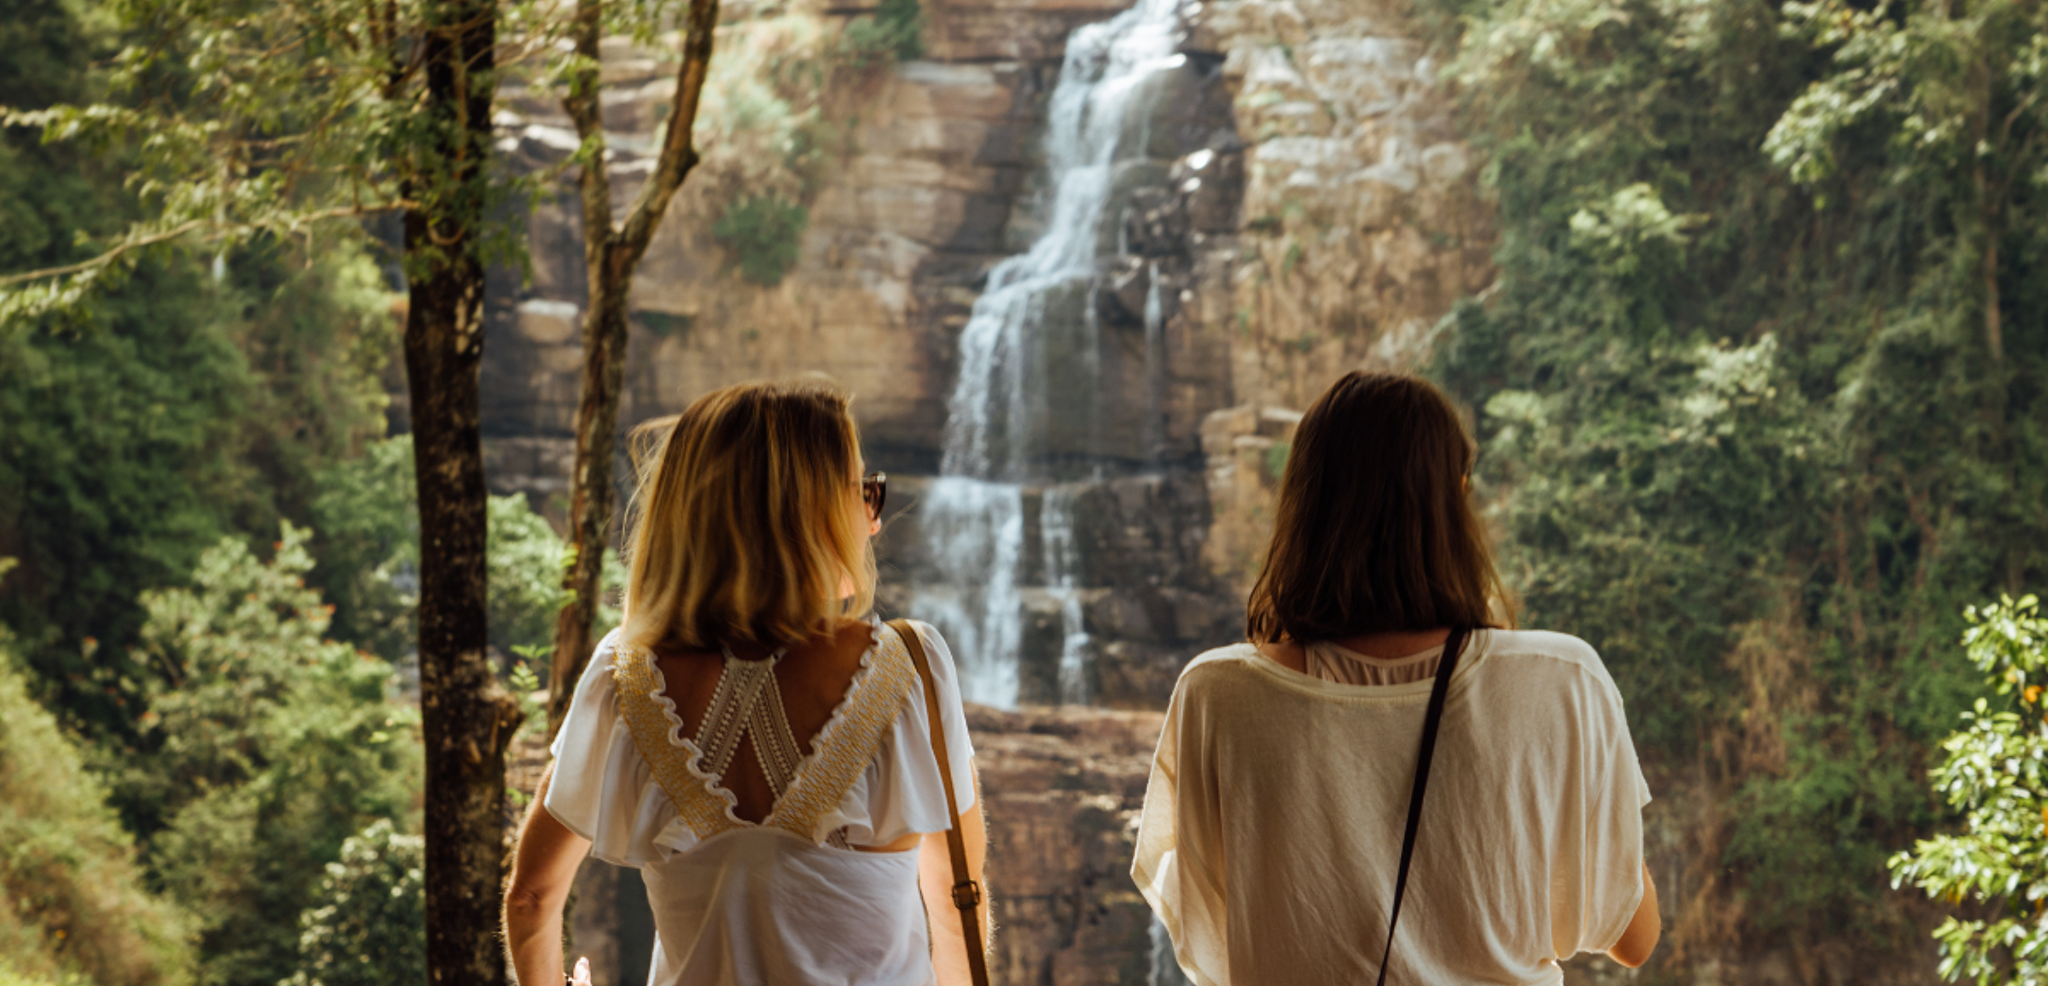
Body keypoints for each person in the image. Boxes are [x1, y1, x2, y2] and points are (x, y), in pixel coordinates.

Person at [1131, 371, 1660, 985]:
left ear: (1305, 505)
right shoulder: (1563, 679)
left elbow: (1217, 943)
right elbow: (1634, 937)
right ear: (1456, 500)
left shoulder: (1215, 694)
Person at [503, 379, 991, 986]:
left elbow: (530, 900)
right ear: (804, 513)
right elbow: (953, 899)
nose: (873, 520)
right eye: (864, 492)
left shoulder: (622, 674)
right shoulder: (909, 666)